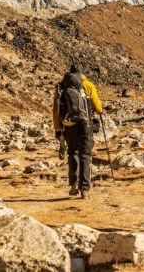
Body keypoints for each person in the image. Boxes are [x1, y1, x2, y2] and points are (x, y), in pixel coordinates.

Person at [52, 63, 104, 198]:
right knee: (85, 155)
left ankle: (73, 185)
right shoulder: (88, 85)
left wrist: (58, 129)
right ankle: (85, 190)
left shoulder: (61, 87)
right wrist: (100, 111)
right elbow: (98, 107)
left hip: (68, 124)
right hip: (85, 124)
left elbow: (56, 110)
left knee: (72, 152)